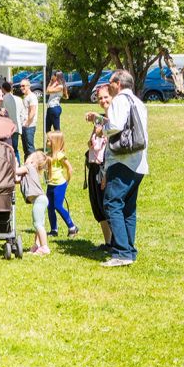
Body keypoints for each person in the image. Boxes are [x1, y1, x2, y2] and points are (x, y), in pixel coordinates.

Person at [86, 69, 149, 267]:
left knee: (112, 203)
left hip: (122, 160)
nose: (109, 84)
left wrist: (100, 129)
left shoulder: (120, 100)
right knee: (128, 208)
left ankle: (121, 252)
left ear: (118, 83)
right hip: (138, 162)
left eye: (111, 81)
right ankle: (129, 251)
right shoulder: (138, 102)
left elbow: (115, 125)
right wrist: (99, 119)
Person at [85, 85, 113, 251]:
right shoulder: (100, 119)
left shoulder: (113, 119)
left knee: (107, 205)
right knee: (97, 206)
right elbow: (94, 143)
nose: (103, 101)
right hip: (94, 166)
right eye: (100, 98)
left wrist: (106, 174)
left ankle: (117, 242)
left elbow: (112, 130)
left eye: (105, 97)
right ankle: (108, 242)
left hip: (106, 167)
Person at [15, 151, 50, 256]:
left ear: (33, 161)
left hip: (39, 199)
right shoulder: (29, 171)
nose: (26, 159)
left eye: (28, 157)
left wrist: (14, 163)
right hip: (41, 199)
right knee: (39, 224)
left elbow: (15, 171)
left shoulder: (29, 167)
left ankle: (44, 247)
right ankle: (36, 246)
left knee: (38, 224)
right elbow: (17, 179)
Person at [44, 130, 78, 238]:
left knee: (58, 206)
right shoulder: (47, 154)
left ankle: (72, 227)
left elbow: (69, 168)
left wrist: (67, 181)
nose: (46, 142)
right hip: (50, 184)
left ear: (55, 142)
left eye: (48, 141)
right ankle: (54, 230)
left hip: (59, 185)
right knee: (50, 207)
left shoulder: (59, 155)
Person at [1, 80, 25, 164]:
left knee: (6, 148)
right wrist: (20, 123)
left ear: (3, 89)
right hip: (17, 127)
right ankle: (18, 164)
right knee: (15, 148)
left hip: (6, 128)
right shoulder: (19, 99)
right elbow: (23, 114)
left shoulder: (2, 99)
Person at [20, 78, 38, 159]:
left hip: (29, 127)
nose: (21, 88)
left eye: (23, 86)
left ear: (28, 86)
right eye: (21, 86)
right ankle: (27, 168)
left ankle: (33, 168)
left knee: (30, 149)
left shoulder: (32, 97)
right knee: (26, 150)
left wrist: (27, 123)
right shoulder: (26, 97)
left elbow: (33, 111)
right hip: (24, 126)